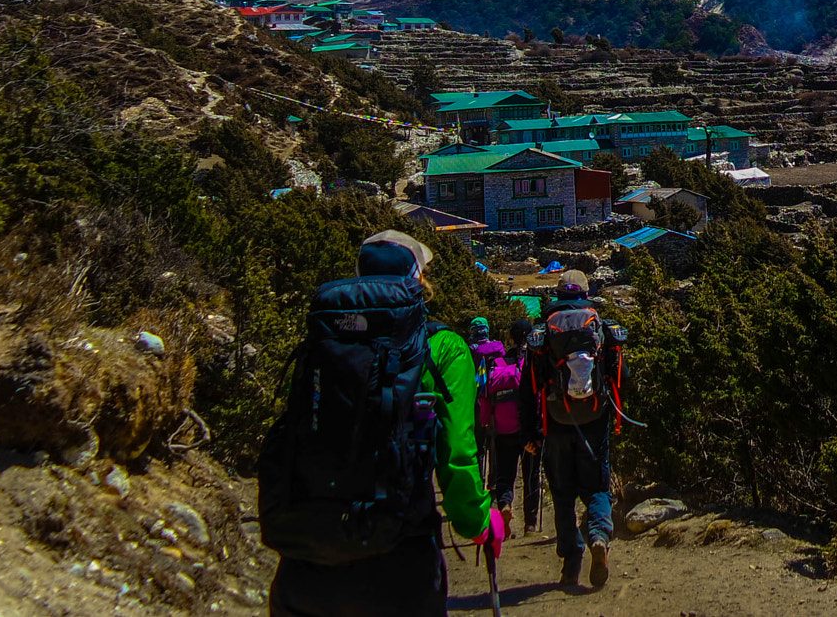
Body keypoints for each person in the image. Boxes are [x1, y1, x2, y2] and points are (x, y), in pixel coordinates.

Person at [264, 230, 502, 617]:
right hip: (400, 560)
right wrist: (478, 522)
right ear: (418, 279)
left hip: (307, 559)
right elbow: (457, 453)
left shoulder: (324, 340)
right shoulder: (441, 347)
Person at [525, 270, 627, 590]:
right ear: (586, 291)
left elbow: (530, 385)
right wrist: (617, 416)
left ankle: (571, 562)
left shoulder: (543, 330)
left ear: (559, 293)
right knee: (597, 485)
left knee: (562, 492)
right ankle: (598, 535)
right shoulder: (598, 324)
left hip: (555, 421)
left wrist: (532, 432)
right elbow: (618, 373)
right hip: (594, 419)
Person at [470, 316, 543, 535]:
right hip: (528, 429)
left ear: (510, 338)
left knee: (504, 474)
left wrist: (485, 422)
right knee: (531, 474)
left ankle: (504, 504)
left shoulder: (497, 363)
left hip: (502, 429)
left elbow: (485, 396)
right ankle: (530, 523)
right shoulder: (531, 364)